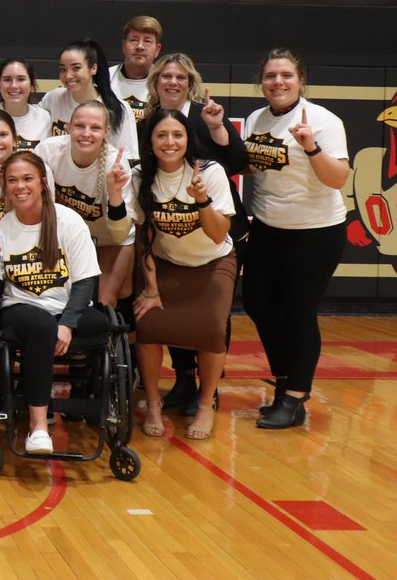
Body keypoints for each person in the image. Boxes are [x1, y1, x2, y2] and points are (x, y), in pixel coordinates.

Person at [242, 48, 349, 429]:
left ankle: (293, 397)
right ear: (262, 82)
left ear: (300, 80)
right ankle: (286, 380)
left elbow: (337, 179)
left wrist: (310, 146)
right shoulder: (256, 118)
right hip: (270, 226)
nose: (278, 82)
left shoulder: (323, 121)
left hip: (315, 231)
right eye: (271, 76)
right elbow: (255, 167)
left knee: (299, 313)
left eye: (286, 75)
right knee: (257, 304)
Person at [142, 52, 249, 415]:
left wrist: (217, 128)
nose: (173, 82)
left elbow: (238, 161)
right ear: (155, 82)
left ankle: (209, 391)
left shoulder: (205, 116)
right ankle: (184, 378)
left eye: (181, 77)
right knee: (170, 319)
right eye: (165, 77)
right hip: (172, 245)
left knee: (211, 321)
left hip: (214, 231)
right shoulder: (147, 123)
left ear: (192, 83)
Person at [0, 151, 104, 455]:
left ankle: (96, 408)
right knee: (40, 326)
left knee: (102, 323)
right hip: (21, 313)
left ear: (43, 182)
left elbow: (86, 282)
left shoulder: (69, 221)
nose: (20, 186)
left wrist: (68, 324)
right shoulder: (1, 229)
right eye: (12, 181)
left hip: (67, 311)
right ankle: (38, 427)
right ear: (5, 188)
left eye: (27, 178)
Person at [131, 109, 238, 440]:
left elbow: (220, 234)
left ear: (188, 140)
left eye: (177, 135)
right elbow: (143, 239)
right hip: (166, 263)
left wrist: (202, 200)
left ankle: (205, 404)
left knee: (211, 331)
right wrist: (150, 288)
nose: (169, 142)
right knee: (147, 327)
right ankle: (152, 403)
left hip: (213, 262)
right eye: (161, 135)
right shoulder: (140, 176)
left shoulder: (211, 171)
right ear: (150, 142)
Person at [34, 100, 133, 307]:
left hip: (109, 241)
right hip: (63, 239)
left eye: (95, 128)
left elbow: (119, 234)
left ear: (106, 131)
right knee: (52, 298)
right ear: (68, 127)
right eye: (79, 126)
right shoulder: (48, 151)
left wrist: (115, 193)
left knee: (103, 301)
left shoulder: (116, 164)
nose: (86, 133)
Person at [38, 39, 138, 161]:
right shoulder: (53, 98)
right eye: (63, 69)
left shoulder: (119, 109)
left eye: (76, 68)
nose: (68, 75)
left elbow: (127, 158)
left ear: (93, 68)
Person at [108, 15, 163, 122]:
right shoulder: (105, 78)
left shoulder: (165, 83)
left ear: (157, 49)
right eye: (134, 40)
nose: (140, 46)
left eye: (147, 41)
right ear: (124, 46)